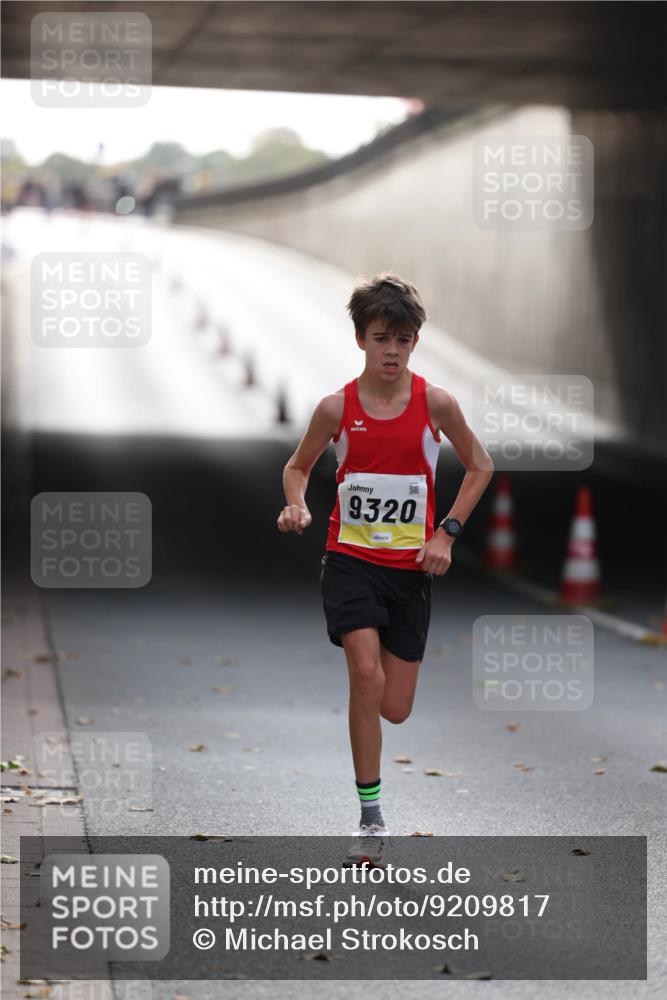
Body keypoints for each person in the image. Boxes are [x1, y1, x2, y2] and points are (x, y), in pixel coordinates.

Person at [277, 273, 493, 858]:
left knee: (394, 707)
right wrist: (297, 505)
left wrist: (447, 533)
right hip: (349, 561)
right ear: (360, 340)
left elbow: (481, 466)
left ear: (415, 341)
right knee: (365, 678)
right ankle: (370, 819)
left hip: (410, 571)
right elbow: (297, 467)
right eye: (381, 339)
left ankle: (372, 796)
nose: (392, 351)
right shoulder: (336, 408)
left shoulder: (435, 403)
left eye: (403, 339)